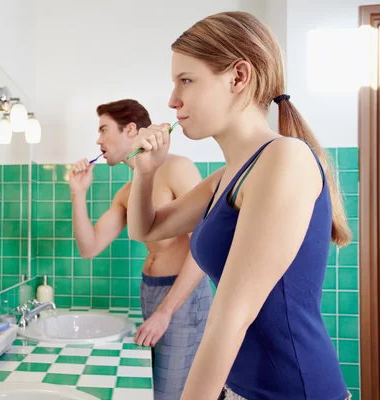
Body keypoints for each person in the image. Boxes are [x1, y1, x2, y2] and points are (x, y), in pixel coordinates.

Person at [127, 11, 352, 400]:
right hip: (239, 389)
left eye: (186, 80)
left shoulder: (284, 158)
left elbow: (232, 315)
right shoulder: (229, 175)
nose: (172, 100)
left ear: (238, 77)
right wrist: (145, 173)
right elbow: (144, 230)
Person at [69, 99, 213, 399]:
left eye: (103, 130)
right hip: (151, 290)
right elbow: (89, 248)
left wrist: (165, 312)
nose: (98, 140)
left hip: (182, 297)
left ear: (130, 129)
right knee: (154, 390)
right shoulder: (127, 192)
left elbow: (204, 246)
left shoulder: (177, 168)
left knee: (169, 393)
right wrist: (78, 194)